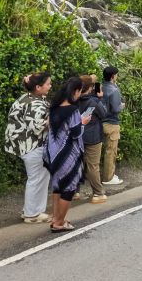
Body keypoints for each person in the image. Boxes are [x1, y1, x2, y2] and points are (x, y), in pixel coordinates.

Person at [4, 72, 53, 223]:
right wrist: (55, 118)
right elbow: (37, 127)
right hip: (32, 145)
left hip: (24, 144)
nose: (50, 86)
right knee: (37, 178)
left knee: (38, 177)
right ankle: (32, 214)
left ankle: (31, 210)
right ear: (38, 87)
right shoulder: (34, 104)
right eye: (48, 84)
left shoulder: (27, 98)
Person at [44, 76, 91, 232]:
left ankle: (55, 218)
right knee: (69, 188)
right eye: (79, 91)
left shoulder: (54, 108)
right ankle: (59, 223)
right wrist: (83, 123)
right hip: (68, 155)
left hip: (53, 154)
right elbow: (76, 133)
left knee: (57, 186)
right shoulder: (72, 110)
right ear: (75, 91)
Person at [79, 75, 108, 204]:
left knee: (77, 165)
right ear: (90, 88)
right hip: (93, 138)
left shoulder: (73, 100)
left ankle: (74, 192)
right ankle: (98, 193)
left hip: (77, 136)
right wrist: (100, 98)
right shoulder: (94, 102)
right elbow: (104, 114)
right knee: (93, 166)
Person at [101, 65, 125, 186]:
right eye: (116, 75)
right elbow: (116, 108)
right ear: (112, 76)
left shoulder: (99, 87)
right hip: (111, 123)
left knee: (99, 152)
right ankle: (108, 178)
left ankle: (106, 174)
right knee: (111, 152)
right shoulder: (114, 90)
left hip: (99, 122)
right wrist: (123, 105)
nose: (117, 76)